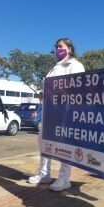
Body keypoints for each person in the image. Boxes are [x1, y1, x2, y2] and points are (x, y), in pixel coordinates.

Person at [28, 38, 85, 191]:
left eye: (60, 46)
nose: (57, 49)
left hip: (64, 112)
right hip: (49, 112)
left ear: (70, 48)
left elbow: (77, 89)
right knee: (44, 143)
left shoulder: (75, 66)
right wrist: (44, 95)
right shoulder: (54, 68)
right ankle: (44, 174)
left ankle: (64, 179)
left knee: (64, 146)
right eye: (56, 47)